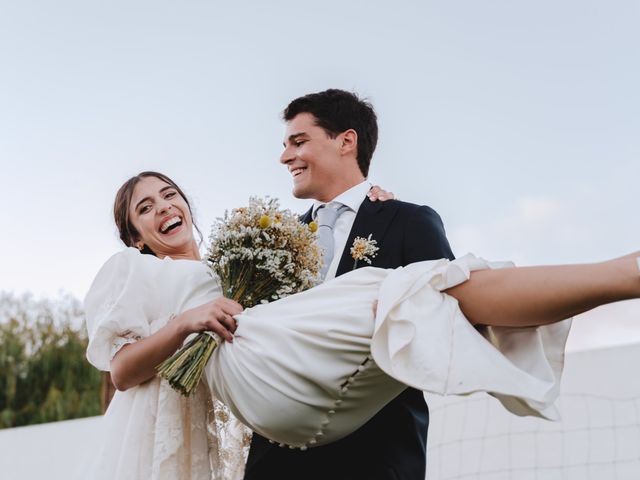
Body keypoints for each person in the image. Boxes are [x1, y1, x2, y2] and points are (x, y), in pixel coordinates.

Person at [84, 171, 640, 480]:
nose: (163, 209)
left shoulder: (229, 270)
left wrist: (373, 210)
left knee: (398, 289)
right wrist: (186, 321)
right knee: (393, 290)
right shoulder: (133, 271)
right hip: (216, 408)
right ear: (135, 236)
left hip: (267, 386)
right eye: (145, 209)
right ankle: (610, 276)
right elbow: (123, 371)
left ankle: (609, 278)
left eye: (169, 195)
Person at [245, 88, 455, 480]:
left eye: (299, 141)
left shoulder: (408, 222)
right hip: (277, 459)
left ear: (346, 141)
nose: (285, 156)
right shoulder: (271, 243)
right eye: (285, 145)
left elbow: (448, 317)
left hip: (373, 453)